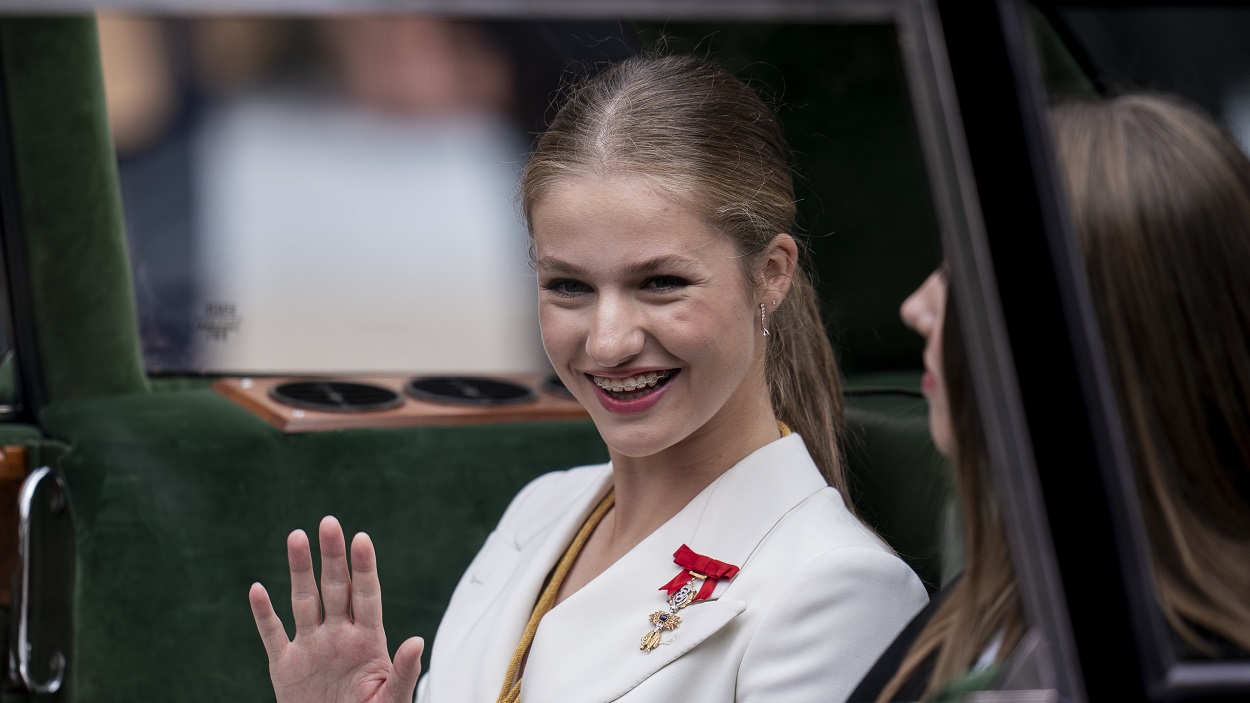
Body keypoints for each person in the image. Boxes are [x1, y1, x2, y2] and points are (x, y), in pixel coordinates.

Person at [248, 53, 928, 703]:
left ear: (772, 274)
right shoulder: (541, 509)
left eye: (661, 283)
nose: (608, 340)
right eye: (569, 286)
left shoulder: (839, 589)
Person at [851, 92, 1250, 702]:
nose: (916, 308)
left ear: (1090, 331)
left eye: (965, 276)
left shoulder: (1200, 671)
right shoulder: (983, 610)